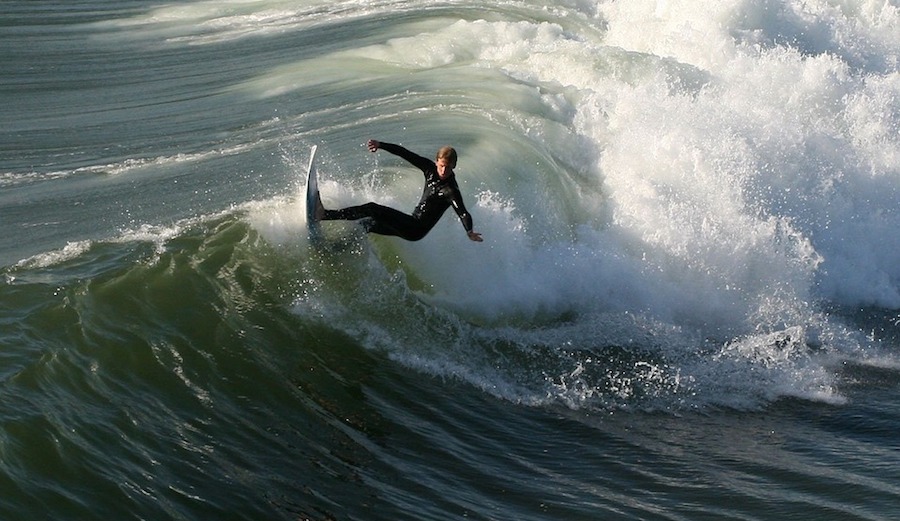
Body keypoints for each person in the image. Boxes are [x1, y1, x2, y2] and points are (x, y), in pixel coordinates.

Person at [317, 139, 484, 242]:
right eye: (441, 166)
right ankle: (337, 246)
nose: (444, 171)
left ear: (454, 166)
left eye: (448, 168)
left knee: (372, 208)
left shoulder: (450, 190)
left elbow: (462, 212)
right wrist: (381, 145)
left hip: (415, 229)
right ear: (436, 162)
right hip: (411, 221)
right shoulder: (429, 169)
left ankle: (325, 215)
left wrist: (469, 231)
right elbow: (405, 153)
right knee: (366, 225)